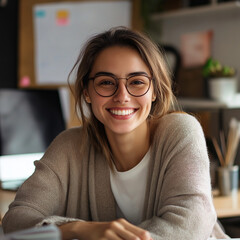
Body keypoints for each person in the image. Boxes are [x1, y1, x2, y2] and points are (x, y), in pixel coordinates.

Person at [2, 27, 228, 240]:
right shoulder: (69, 146)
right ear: (87, 92)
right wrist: (81, 229)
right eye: (106, 82)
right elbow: (16, 219)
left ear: (155, 92)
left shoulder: (181, 131)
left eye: (137, 82)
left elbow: (190, 226)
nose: (122, 96)